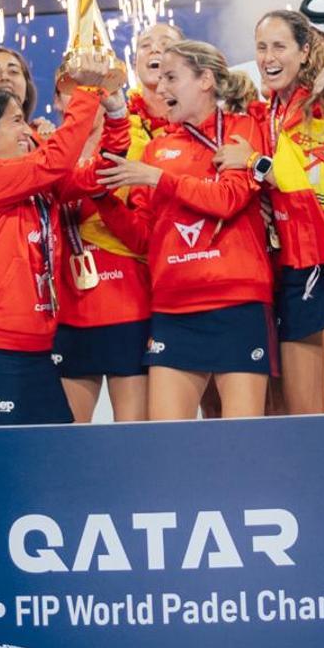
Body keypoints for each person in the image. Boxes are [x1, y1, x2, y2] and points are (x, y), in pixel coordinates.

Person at [96, 40, 273, 421]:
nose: (161, 89)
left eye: (172, 78)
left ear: (205, 79)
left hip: (236, 302)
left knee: (241, 443)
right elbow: (143, 236)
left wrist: (160, 179)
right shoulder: (157, 149)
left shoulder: (242, 129)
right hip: (173, 307)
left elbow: (229, 198)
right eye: (159, 80)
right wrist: (103, 200)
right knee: (168, 444)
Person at [0, 48, 112, 427]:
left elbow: (93, 176)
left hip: (36, 346)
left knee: (56, 453)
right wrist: (86, 91)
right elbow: (56, 160)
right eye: (16, 122)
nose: (26, 129)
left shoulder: (34, 182)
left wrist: (115, 120)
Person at [219, 9, 324, 415]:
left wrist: (256, 163)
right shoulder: (268, 110)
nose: (268, 57)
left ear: (305, 50)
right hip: (294, 270)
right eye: (261, 47)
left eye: (279, 46)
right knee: (302, 418)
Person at [52, 66, 151, 423]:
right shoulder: (48, 157)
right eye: (72, 91)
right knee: (69, 442)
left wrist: (105, 201)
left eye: (93, 90)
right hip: (69, 312)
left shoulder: (140, 149)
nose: (84, 98)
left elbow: (142, 238)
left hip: (128, 308)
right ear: (58, 102)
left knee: (135, 443)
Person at [126, 20, 184, 155]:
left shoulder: (203, 118)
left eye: (166, 44)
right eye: (145, 45)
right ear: (135, 64)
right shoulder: (117, 124)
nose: (154, 49)